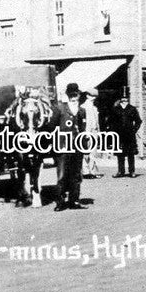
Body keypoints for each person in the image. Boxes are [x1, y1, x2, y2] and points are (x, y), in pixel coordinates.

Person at [52, 82, 86, 211]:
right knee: (62, 176)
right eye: (71, 95)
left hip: (77, 148)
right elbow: (53, 128)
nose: (73, 97)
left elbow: (82, 130)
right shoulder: (60, 109)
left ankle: (74, 201)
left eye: (75, 95)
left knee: (76, 175)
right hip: (63, 147)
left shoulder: (82, 111)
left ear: (78, 95)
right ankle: (60, 203)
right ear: (67, 95)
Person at [112, 94, 141, 177]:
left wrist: (134, 130)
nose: (124, 100)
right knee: (120, 153)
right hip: (119, 134)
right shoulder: (116, 109)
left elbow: (138, 121)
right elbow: (111, 121)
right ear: (120, 99)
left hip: (129, 134)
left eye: (126, 99)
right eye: (123, 99)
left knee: (130, 153)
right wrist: (114, 131)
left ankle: (132, 171)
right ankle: (121, 171)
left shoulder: (132, 109)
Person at [79, 90, 102, 178]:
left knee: (93, 152)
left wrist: (98, 131)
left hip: (94, 132)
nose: (94, 98)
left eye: (95, 96)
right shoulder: (82, 107)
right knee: (85, 151)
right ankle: (85, 171)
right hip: (86, 131)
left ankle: (92, 171)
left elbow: (97, 122)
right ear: (87, 96)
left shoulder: (95, 108)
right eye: (92, 96)